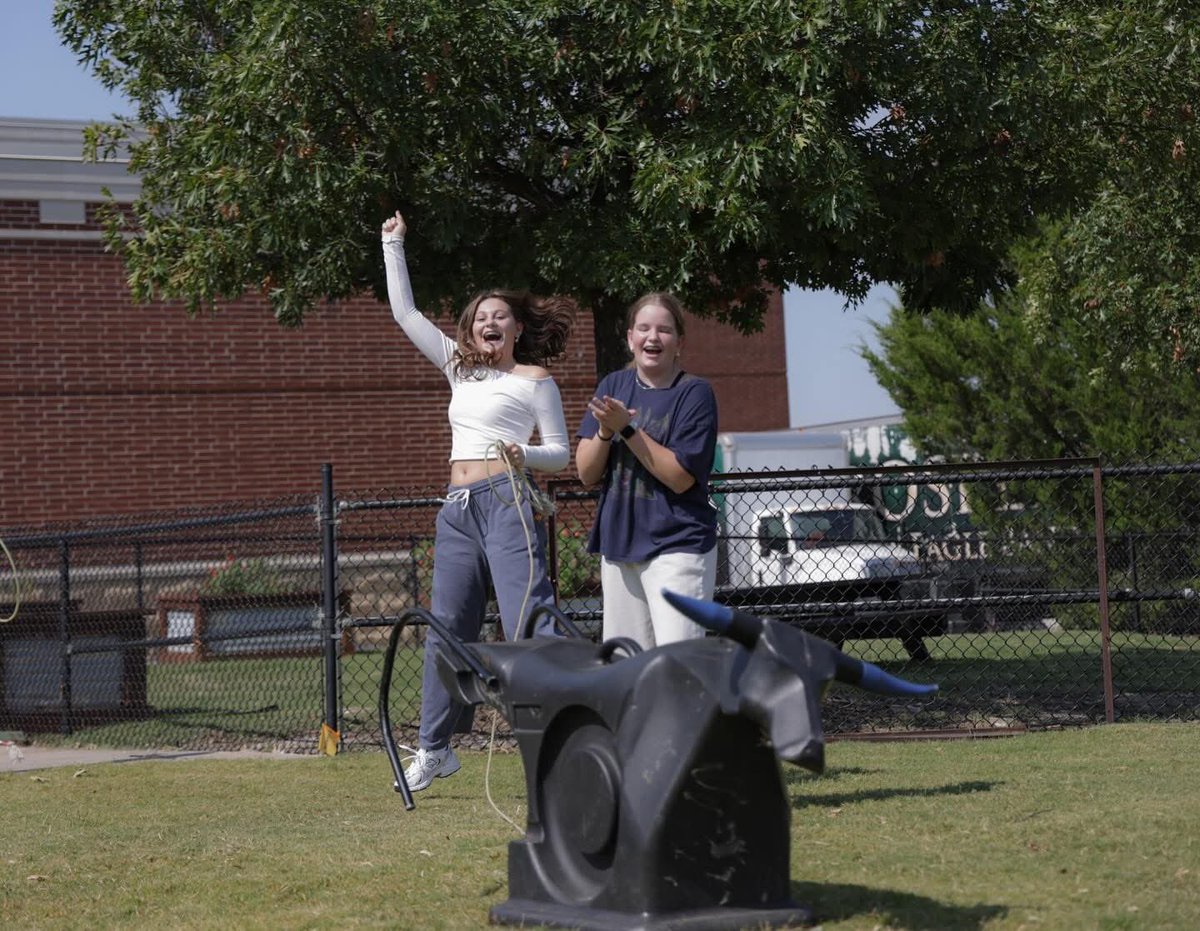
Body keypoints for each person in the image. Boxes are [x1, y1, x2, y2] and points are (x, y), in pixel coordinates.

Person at [381, 210, 575, 791]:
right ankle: (435, 749)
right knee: (447, 628)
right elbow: (405, 313)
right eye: (480, 317)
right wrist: (393, 245)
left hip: (508, 500)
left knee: (526, 619)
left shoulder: (535, 379)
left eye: (500, 317)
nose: (489, 322)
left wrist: (525, 456)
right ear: (469, 331)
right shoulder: (457, 369)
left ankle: (565, 736)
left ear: (516, 329)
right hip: (457, 509)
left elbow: (561, 453)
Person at [575, 292, 719, 648]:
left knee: (678, 664)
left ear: (679, 342)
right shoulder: (613, 386)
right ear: (630, 338)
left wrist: (627, 429)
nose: (652, 338)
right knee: (627, 668)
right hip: (619, 545)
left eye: (664, 330)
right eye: (643, 328)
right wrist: (607, 432)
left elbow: (680, 477)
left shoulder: (695, 393)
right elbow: (586, 473)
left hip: (678, 545)